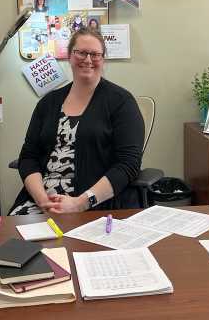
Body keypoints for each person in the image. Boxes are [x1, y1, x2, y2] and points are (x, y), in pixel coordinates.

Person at [9, 29, 144, 215]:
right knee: (14, 241)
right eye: (81, 52)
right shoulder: (48, 103)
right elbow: (28, 157)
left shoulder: (122, 102)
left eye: (95, 54)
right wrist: (42, 200)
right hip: (42, 202)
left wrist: (79, 203)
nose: (88, 60)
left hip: (94, 205)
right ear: (70, 56)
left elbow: (128, 165)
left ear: (102, 59)